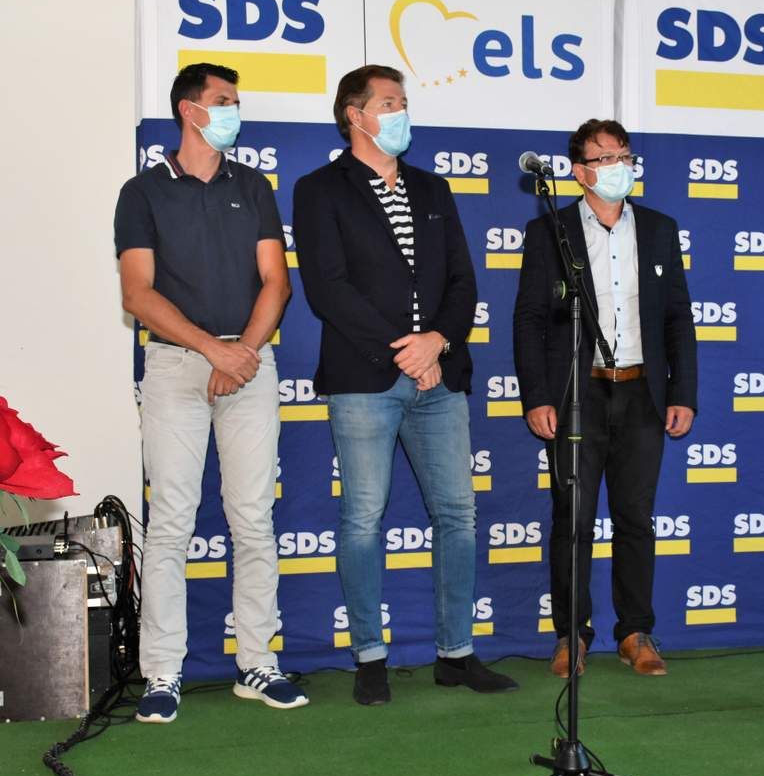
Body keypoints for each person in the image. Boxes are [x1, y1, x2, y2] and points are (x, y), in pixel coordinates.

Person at [292, 64, 517, 705]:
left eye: (402, 101)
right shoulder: (320, 189)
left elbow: (463, 280)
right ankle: (369, 656)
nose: (400, 112)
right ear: (355, 115)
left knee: (458, 515)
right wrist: (407, 352)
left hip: (441, 376)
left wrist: (437, 342)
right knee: (363, 516)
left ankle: (456, 653)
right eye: (388, 102)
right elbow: (328, 288)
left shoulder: (431, 187)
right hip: (365, 376)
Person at [116, 62, 306, 723]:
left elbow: (276, 282)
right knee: (171, 521)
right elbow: (138, 293)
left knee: (252, 519)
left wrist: (241, 353)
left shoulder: (251, 185)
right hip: (175, 367)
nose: (233, 110)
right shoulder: (142, 192)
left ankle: (257, 662)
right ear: (189, 110)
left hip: (248, 365)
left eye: (234, 101)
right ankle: (161, 671)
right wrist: (212, 350)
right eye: (223, 100)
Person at [514, 119, 698, 678]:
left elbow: (678, 319)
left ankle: (635, 632)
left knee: (636, 517)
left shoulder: (660, 229)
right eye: (604, 157)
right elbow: (528, 320)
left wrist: (683, 392)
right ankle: (571, 634)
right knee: (572, 519)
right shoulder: (551, 231)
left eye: (624, 155)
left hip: (642, 392)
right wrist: (537, 396)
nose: (618, 166)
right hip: (577, 394)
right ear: (580, 171)